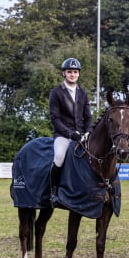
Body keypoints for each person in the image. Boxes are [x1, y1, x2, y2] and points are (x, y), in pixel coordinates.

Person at [48, 58, 93, 206]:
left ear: (78, 74)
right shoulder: (56, 92)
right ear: (64, 73)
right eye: (69, 72)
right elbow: (55, 118)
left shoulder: (83, 93)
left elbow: (88, 117)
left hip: (82, 135)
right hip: (63, 135)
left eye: (75, 72)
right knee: (59, 156)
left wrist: (88, 131)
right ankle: (53, 192)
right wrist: (69, 134)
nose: (72, 74)